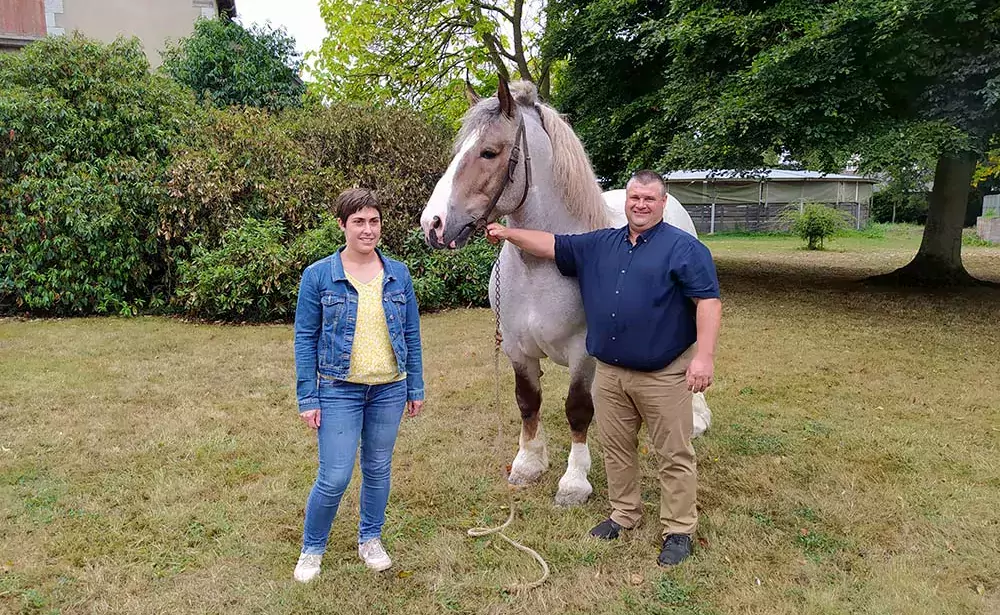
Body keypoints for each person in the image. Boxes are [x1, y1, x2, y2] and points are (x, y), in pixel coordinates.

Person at [485, 170, 721, 567]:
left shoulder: (684, 248)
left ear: (663, 203)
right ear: (625, 202)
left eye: (649, 199)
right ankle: (624, 513)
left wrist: (704, 357)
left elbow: (709, 303)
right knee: (616, 448)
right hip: (610, 373)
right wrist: (509, 234)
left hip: (662, 373)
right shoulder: (602, 243)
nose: (640, 205)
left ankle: (678, 529)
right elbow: (551, 243)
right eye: (634, 198)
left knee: (673, 453)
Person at [291, 188, 425, 582]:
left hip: (389, 388)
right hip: (338, 389)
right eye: (359, 222)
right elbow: (304, 337)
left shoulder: (398, 272)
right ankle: (312, 549)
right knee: (333, 477)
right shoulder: (319, 275)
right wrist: (307, 395)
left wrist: (415, 386)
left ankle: (370, 538)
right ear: (342, 225)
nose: (368, 230)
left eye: (374, 221)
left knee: (378, 468)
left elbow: (412, 334)